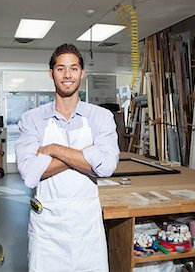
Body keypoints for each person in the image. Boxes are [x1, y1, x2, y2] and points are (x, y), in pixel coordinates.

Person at [15, 43, 120, 272]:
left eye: (73, 68)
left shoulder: (100, 117)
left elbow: (106, 167)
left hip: (87, 229)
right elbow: (30, 172)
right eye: (61, 68)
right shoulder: (32, 119)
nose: (67, 75)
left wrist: (53, 149)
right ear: (51, 73)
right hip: (47, 229)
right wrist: (86, 154)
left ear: (82, 73)